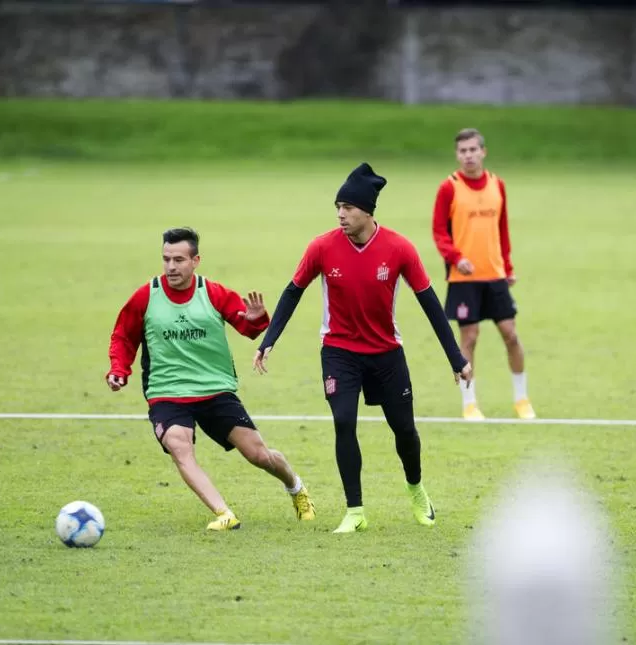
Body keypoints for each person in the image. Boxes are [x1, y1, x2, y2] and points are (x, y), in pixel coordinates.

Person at [252, 162, 473, 534]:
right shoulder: (321, 247)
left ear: (368, 211)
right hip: (339, 352)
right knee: (343, 422)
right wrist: (268, 340)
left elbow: (430, 303)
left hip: (387, 353)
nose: (341, 214)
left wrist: (456, 358)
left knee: (404, 431)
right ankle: (355, 511)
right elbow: (293, 292)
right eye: (337, 206)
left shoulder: (399, 248)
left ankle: (416, 489)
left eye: (348, 207)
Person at [106, 227, 315, 531]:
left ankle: (296, 488)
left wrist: (256, 317)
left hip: (215, 390)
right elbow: (123, 336)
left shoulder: (214, 293)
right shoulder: (145, 296)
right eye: (166, 259)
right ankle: (224, 513)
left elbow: (249, 327)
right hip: (168, 391)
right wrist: (118, 370)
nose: (171, 266)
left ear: (195, 260)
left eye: (179, 259)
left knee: (258, 455)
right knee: (179, 445)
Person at [432, 128, 534, 421]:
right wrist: (455, 258)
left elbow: (502, 230)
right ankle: (470, 402)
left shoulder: (497, 185)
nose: (468, 155)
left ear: (483, 152)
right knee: (470, 338)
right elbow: (439, 232)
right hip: (464, 278)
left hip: (494, 275)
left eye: (473, 149)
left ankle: (521, 398)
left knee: (511, 335)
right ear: (457, 154)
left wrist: (508, 266)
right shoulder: (448, 188)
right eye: (462, 151)